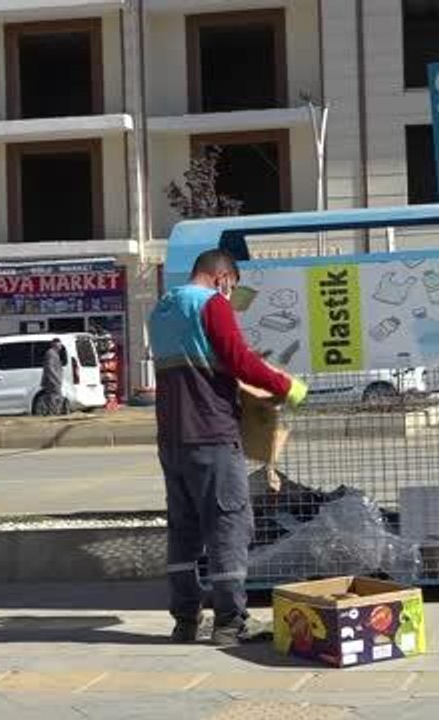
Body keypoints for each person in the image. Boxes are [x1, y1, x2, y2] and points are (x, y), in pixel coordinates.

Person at [148, 248, 307, 647]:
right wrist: (286, 387)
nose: (230, 296)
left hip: (172, 439)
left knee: (183, 531)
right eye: (232, 288)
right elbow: (238, 359)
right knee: (228, 525)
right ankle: (230, 623)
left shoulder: (162, 310)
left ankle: (185, 620)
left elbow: (200, 364)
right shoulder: (212, 304)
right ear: (221, 278)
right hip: (212, 434)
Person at [38, 338, 65, 416]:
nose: (60, 346)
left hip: (53, 379)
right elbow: (50, 367)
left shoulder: (55, 353)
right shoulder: (51, 353)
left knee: (52, 396)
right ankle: (53, 412)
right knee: (55, 396)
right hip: (52, 380)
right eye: (59, 344)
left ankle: (51, 412)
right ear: (54, 344)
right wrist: (56, 378)